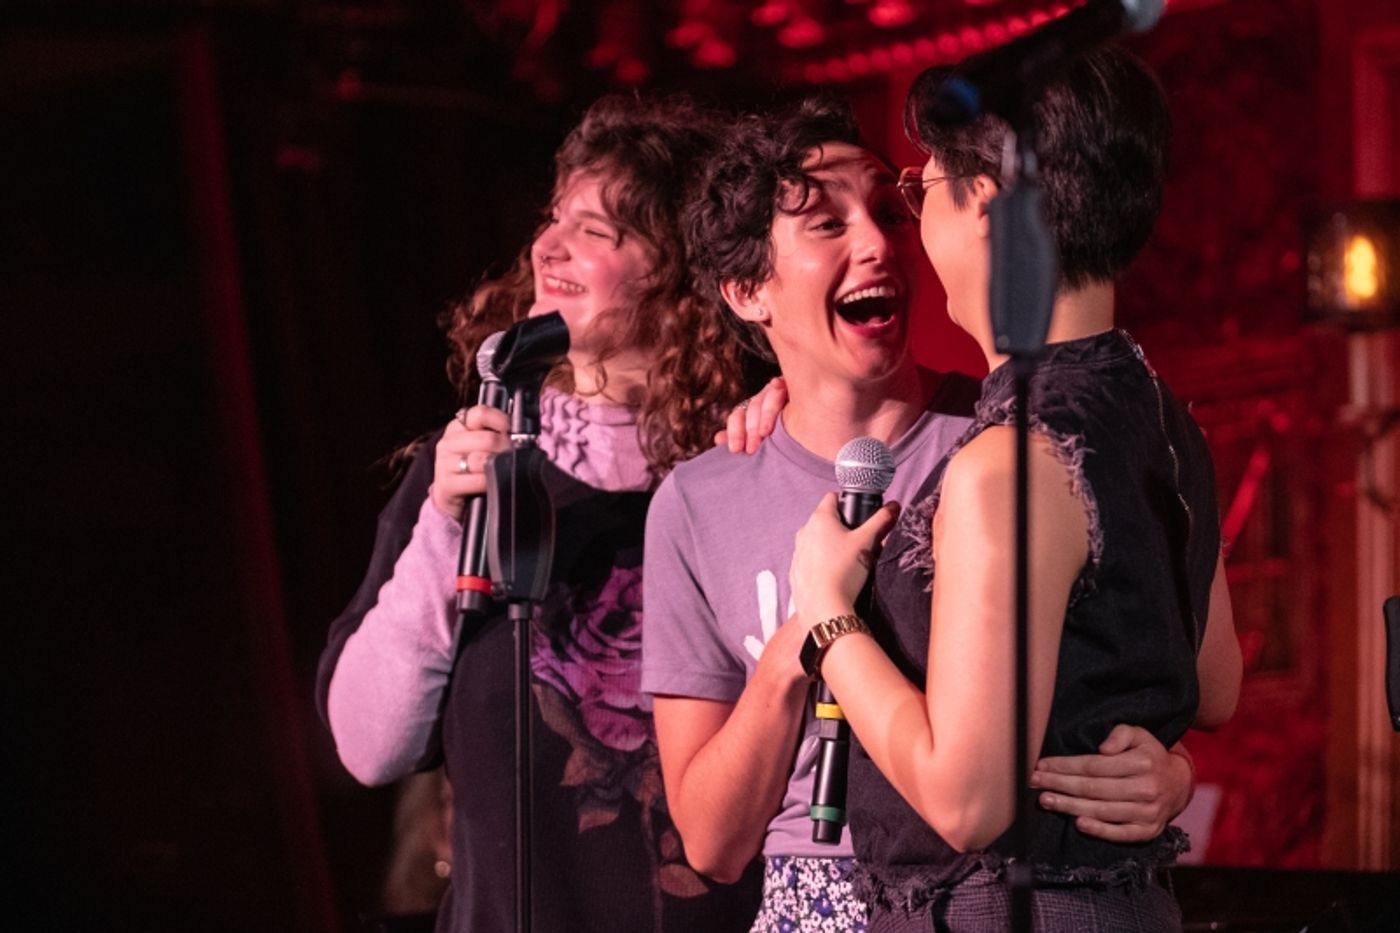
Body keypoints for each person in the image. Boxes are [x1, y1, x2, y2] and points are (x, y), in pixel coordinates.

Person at [642, 96, 1199, 933]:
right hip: (812, 899)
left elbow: (1144, 652)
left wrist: (1171, 768)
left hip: (991, 886)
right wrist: (806, 643)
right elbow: (713, 843)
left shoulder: (1008, 444)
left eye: (888, 209)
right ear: (748, 289)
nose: (875, 242)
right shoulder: (698, 501)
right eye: (827, 224)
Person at [786, 47, 1244, 930]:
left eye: (925, 191)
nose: (917, 222)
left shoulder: (1013, 460)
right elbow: (1212, 683)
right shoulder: (1163, 415)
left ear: (986, 206)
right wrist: (1171, 770)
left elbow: (966, 802)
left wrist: (828, 619)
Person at [316, 94, 764, 933]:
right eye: (555, 219)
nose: (549, 246)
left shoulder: (741, 477)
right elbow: (368, 746)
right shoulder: (468, 477)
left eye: (598, 231)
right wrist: (447, 522)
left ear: (679, 276)